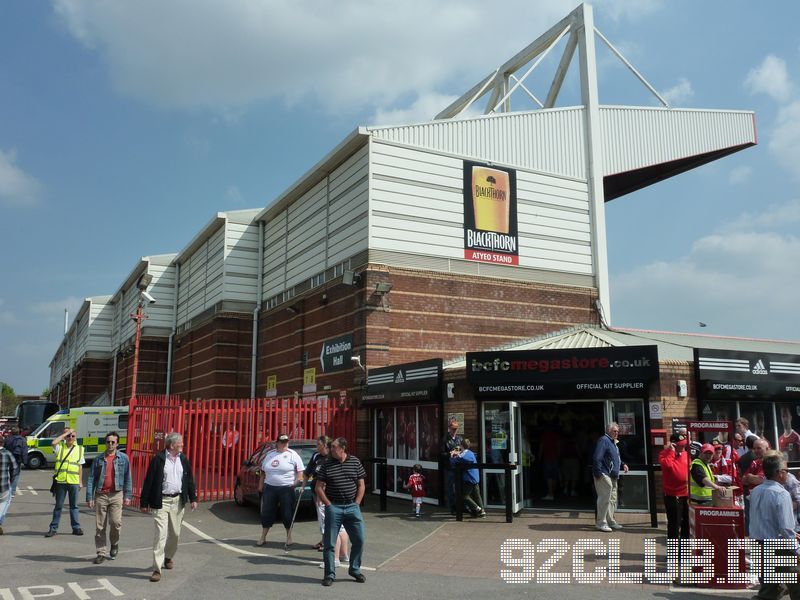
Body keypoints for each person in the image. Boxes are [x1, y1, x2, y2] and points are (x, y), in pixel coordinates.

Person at [140, 432, 198, 583]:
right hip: (162, 502)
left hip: (177, 501)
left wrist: (193, 498)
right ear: (172, 445)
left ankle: (168, 557)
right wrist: (144, 502)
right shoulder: (159, 460)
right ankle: (156, 569)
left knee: (175, 534)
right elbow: (149, 481)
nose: (183, 445)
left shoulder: (183, 459)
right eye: (181, 443)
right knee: (160, 535)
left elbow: (189, 479)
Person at [748, 452, 800, 600]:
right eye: (786, 471)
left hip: (759, 545)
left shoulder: (756, 491)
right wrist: (796, 549)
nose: (787, 474)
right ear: (780, 473)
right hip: (777, 548)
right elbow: (786, 527)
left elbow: (762, 519)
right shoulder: (781, 494)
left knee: (769, 589)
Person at [316, 437, 366, 587]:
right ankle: (329, 574)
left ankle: (355, 570)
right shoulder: (327, 464)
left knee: (359, 539)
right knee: (330, 544)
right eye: (331, 448)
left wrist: (357, 503)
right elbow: (318, 487)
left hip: (352, 507)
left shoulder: (355, 462)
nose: (331, 450)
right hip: (334, 507)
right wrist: (329, 505)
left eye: (334, 448)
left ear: (343, 448)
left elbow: (361, 484)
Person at [86, 431, 133, 564]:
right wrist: (90, 497)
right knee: (100, 526)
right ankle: (101, 552)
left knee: (116, 522)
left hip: (116, 494)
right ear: (105, 443)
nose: (110, 444)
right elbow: (91, 479)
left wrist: (128, 495)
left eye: (113, 442)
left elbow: (128, 477)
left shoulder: (124, 458)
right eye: (108, 442)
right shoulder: (99, 459)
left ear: (117, 443)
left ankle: (115, 543)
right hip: (101, 495)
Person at [257, 434, 305, 547]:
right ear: (277, 443)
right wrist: (260, 485)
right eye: (282, 442)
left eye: (286, 442)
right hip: (270, 487)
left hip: (286, 488)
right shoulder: (270, 454)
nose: (284, 444)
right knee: (267, 512)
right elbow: (263, 471)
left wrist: (296, 482)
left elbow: (300, 471)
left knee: (287, 512)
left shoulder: (293, 455)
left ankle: (289, 537)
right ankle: (263, 537)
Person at [45, 427, 85, 537]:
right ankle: (53, 528)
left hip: (73, 481)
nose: (70, 438)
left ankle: (76, 528)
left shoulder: (80, 449)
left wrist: (80, 481)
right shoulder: (60, 447)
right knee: (58, 506)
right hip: (61, 481)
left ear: (76, 437)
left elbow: (80, 466)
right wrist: (66, 433)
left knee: (74, 506)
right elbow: (53, 442)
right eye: (68, 435)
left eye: (73, 436)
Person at [592, 422, 628, 532]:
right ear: (609, 431)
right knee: (604, 498)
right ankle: (601, 523)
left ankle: (610, 520)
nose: (617, 433)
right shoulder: (604, 440)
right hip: (603, 473)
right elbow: (597, 457)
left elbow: (616, 458)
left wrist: (623, 464)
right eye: (614, 431)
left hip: (613, 475)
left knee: (612, 499)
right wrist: (598, 473)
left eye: (617, 431)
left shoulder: (613, 443)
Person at [658, 433, 690, 540]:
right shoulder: (664, 454)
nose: (683, 446)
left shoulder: (685, 454)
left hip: (685, 494)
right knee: (674, 525)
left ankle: (684, 553)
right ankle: (673, 555)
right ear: (673, 445)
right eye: (681, 445)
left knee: (686, 524)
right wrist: (671, 452)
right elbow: (668, 466)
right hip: (672, 495)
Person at [450, 439, 486, 518]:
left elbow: (453, 461)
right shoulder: (471, 453)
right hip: (475, 478)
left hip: (469, 479)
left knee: (464, 496)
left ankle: (477, 508)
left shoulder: (464, 455)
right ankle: (482, 511)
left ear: (461, 446)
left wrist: (453, 454)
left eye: (460, 446)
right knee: (477, 495)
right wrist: (457, 451)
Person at [743, 438, 769, 534]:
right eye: (754, 448)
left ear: (767, 449)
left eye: (759, 448)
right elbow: (743, 480)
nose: (756, 451)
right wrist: (751, 478)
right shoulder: (754, 462)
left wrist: (751, 477)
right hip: (753, 500)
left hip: (765, 501)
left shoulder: (770, 463)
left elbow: (760, 480)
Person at [0, 427, 27, 524]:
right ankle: (13, 490)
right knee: (16, 474)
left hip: (6, 458)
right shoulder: (22, 440)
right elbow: (24, 450)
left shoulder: (8, 439)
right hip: (14, 460)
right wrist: (25, 461)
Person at [440, 418, 463, 514]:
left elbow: (462, 449)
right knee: (450, 489)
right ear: (449, 428)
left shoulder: (459, 439)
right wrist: (450, 454)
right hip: (449, 467)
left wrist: (459, 452)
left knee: (459, 488)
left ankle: (460, 507)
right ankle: (452, 508)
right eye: (453, 428)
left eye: (456, 428)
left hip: (459, 467)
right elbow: (441, 454)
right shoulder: (445, 439)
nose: (455, 430)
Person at [0, 435, 18, 535]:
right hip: (4, 485)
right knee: (4, 503)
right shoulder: (7, 453)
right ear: (3, 443)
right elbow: (15, 468)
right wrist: (11, 480)